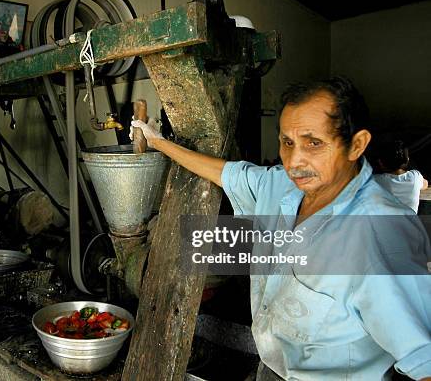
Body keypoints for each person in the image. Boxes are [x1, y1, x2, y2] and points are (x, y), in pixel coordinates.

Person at [132, 77, 431, 380]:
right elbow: (226, 173)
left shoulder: (382, 233)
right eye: (288, 142)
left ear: (356, 145)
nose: (294, 161)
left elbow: (425, 359)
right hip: (271, 368)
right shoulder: (281, 186)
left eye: (313, 143)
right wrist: (157, 141)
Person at [374, 140, 428, 213]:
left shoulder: (376, 180)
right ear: (407, 160)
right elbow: (425, 184)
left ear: (381, 162)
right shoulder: (415, 177)